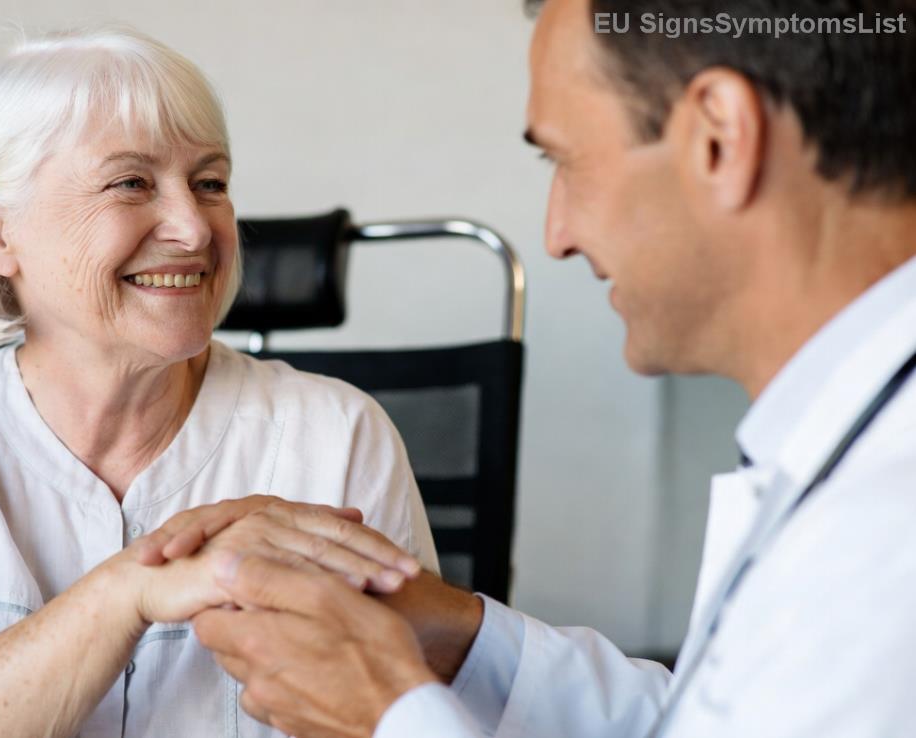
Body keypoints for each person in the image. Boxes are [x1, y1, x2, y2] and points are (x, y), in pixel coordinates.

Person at [187, 0, 916, 736]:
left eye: (566, 159)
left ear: (720, 140)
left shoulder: (885, 528)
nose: (556, 234)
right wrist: (467, 643)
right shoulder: (854, 450)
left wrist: (382, 716)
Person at [0, 26, 438, 738]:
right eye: (132, 182)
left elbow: (413, 714)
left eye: (210, 183)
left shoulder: (337, 438)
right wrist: (127, 592)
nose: (193, 229)